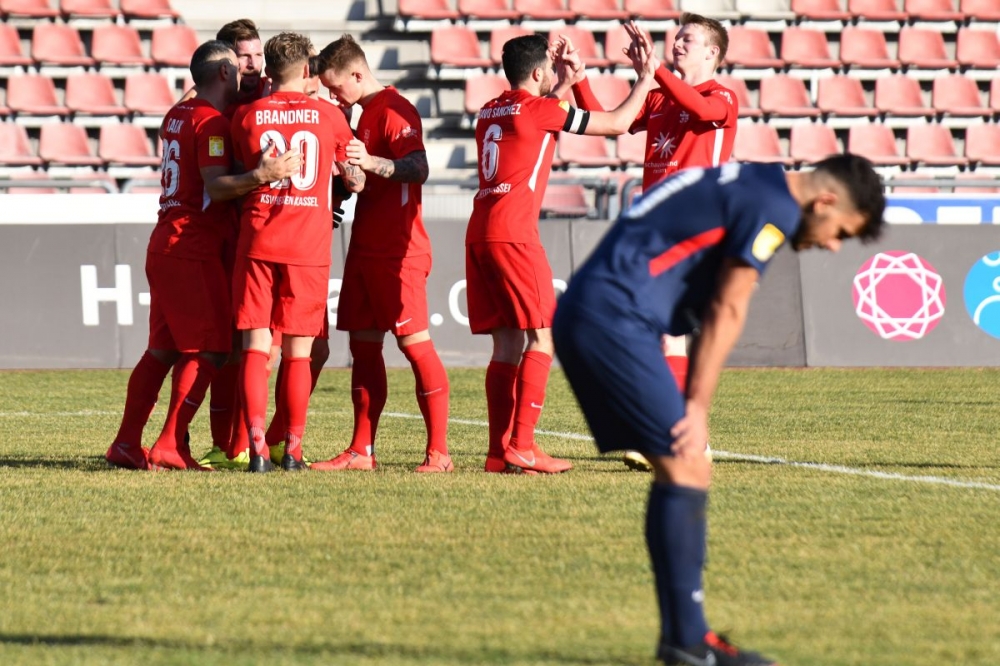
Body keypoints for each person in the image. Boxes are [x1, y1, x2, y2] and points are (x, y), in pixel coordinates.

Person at [552, 155, 886, 664]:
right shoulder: (772, 207)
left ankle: (686, 638)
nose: (832, 244)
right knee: (688, 464)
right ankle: (688, 642)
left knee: (680, 469)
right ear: (826, 201)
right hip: (614, 317)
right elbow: (727, 308)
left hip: (602, 309)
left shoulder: (754, 178)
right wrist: (698, 406)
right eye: (840, 230)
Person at [105, 40, 301, 470]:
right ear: (224, 74)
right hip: (191, 247)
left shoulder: (177, 114)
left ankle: (125, 443)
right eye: (237, 66)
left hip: (167, 243)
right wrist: (263, 174)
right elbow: (216, 187)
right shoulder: (211, 123)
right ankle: (170, 443)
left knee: (161, 351)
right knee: (211, 350)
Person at [465, 33, 655, 474]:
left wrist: (565, 82)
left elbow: (533, 120)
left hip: (481, 230)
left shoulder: (491, 109)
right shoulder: (540, 109)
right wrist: (644, 80)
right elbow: (615, 124)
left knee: (508, 342)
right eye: (548, 69)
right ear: (536, 73)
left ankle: (499, 452)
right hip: (515, 232)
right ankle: (524, 446)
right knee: (543, 337)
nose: (553, 74)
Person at [563, 16, 738, 471]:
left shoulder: (722, 98)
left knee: (669, 335)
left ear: (712, 54)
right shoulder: (660, 95)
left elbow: (700, 114)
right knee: (662, 337)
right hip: (654, 230)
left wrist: (654, 70)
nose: (679, 43)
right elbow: (615, 124)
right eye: (677, 37)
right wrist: (580, 79)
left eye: (689, 39)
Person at [310, 35, 453, 473]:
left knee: (415, 347)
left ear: (357, 73)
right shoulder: (363, 112)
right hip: (366, 247)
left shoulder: (394, 110)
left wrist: (371, 162)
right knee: (364, 348)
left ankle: (439, 454)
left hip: (398, 253)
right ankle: (360, 451)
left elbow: (419, 167)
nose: (335, 96)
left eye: (337, 88)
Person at [229, 31, 365, 473]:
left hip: (259, 240)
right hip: (308, 245)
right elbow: (355, 179)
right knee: (299, 353)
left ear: (268, 73)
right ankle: (293, 451)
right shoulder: (329, 116)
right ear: (308, 71)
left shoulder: (247, 117)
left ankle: (256, 451)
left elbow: (241, 174)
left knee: (254, 346)